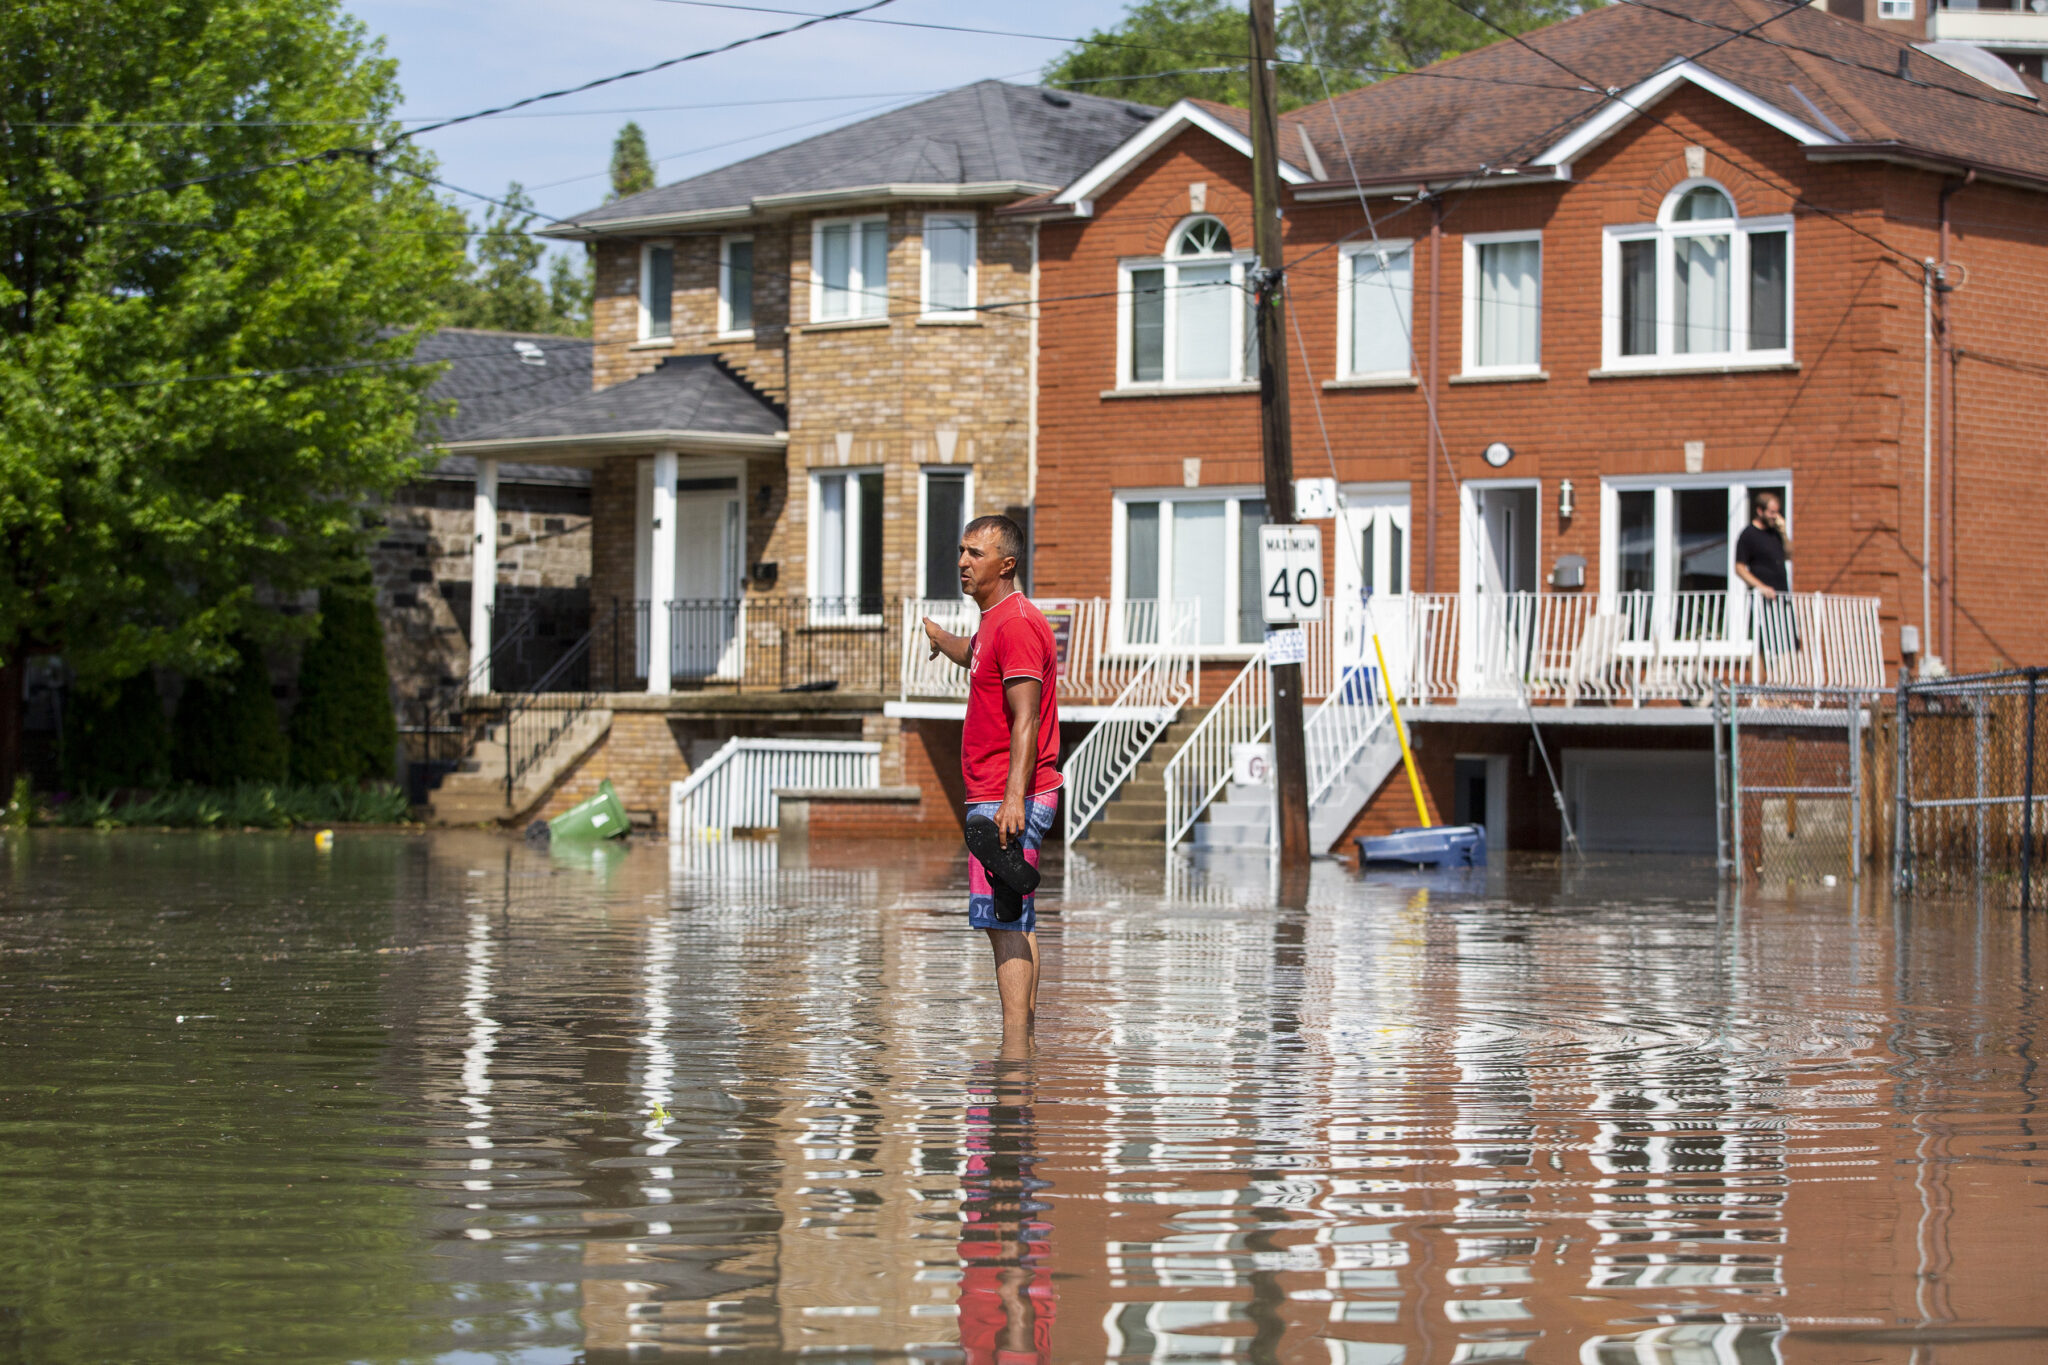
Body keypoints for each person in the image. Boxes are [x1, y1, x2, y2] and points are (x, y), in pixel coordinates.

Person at [922, 515, 1060, 1038]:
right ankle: (1022, 1042)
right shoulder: (995, 624)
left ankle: (1013, 1057)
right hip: (1002, 792)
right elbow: (978, 656)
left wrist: (1013, 799)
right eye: (961, 550)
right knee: (1013, 917)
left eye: (975, 554)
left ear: (1006, 564)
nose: (962, 561)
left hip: (1008, 796)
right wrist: (944, 638)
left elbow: (1026, 716)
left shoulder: (1018, 624)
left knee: (1001, 920)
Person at [1735, 491, 1798, 657]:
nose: (1774, 516)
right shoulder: (1748, 535)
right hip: (1762, 600)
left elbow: (1790, 555)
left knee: (1787, 644)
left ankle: (1779, 681)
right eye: (1771, 512)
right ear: (1760, 511)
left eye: (1777, 512)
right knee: (1761, 646)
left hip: (1782, 596)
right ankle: (1756, 681)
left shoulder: (1775, 533)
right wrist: (1761, 588)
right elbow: (1739, 568)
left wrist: (1784, 532)